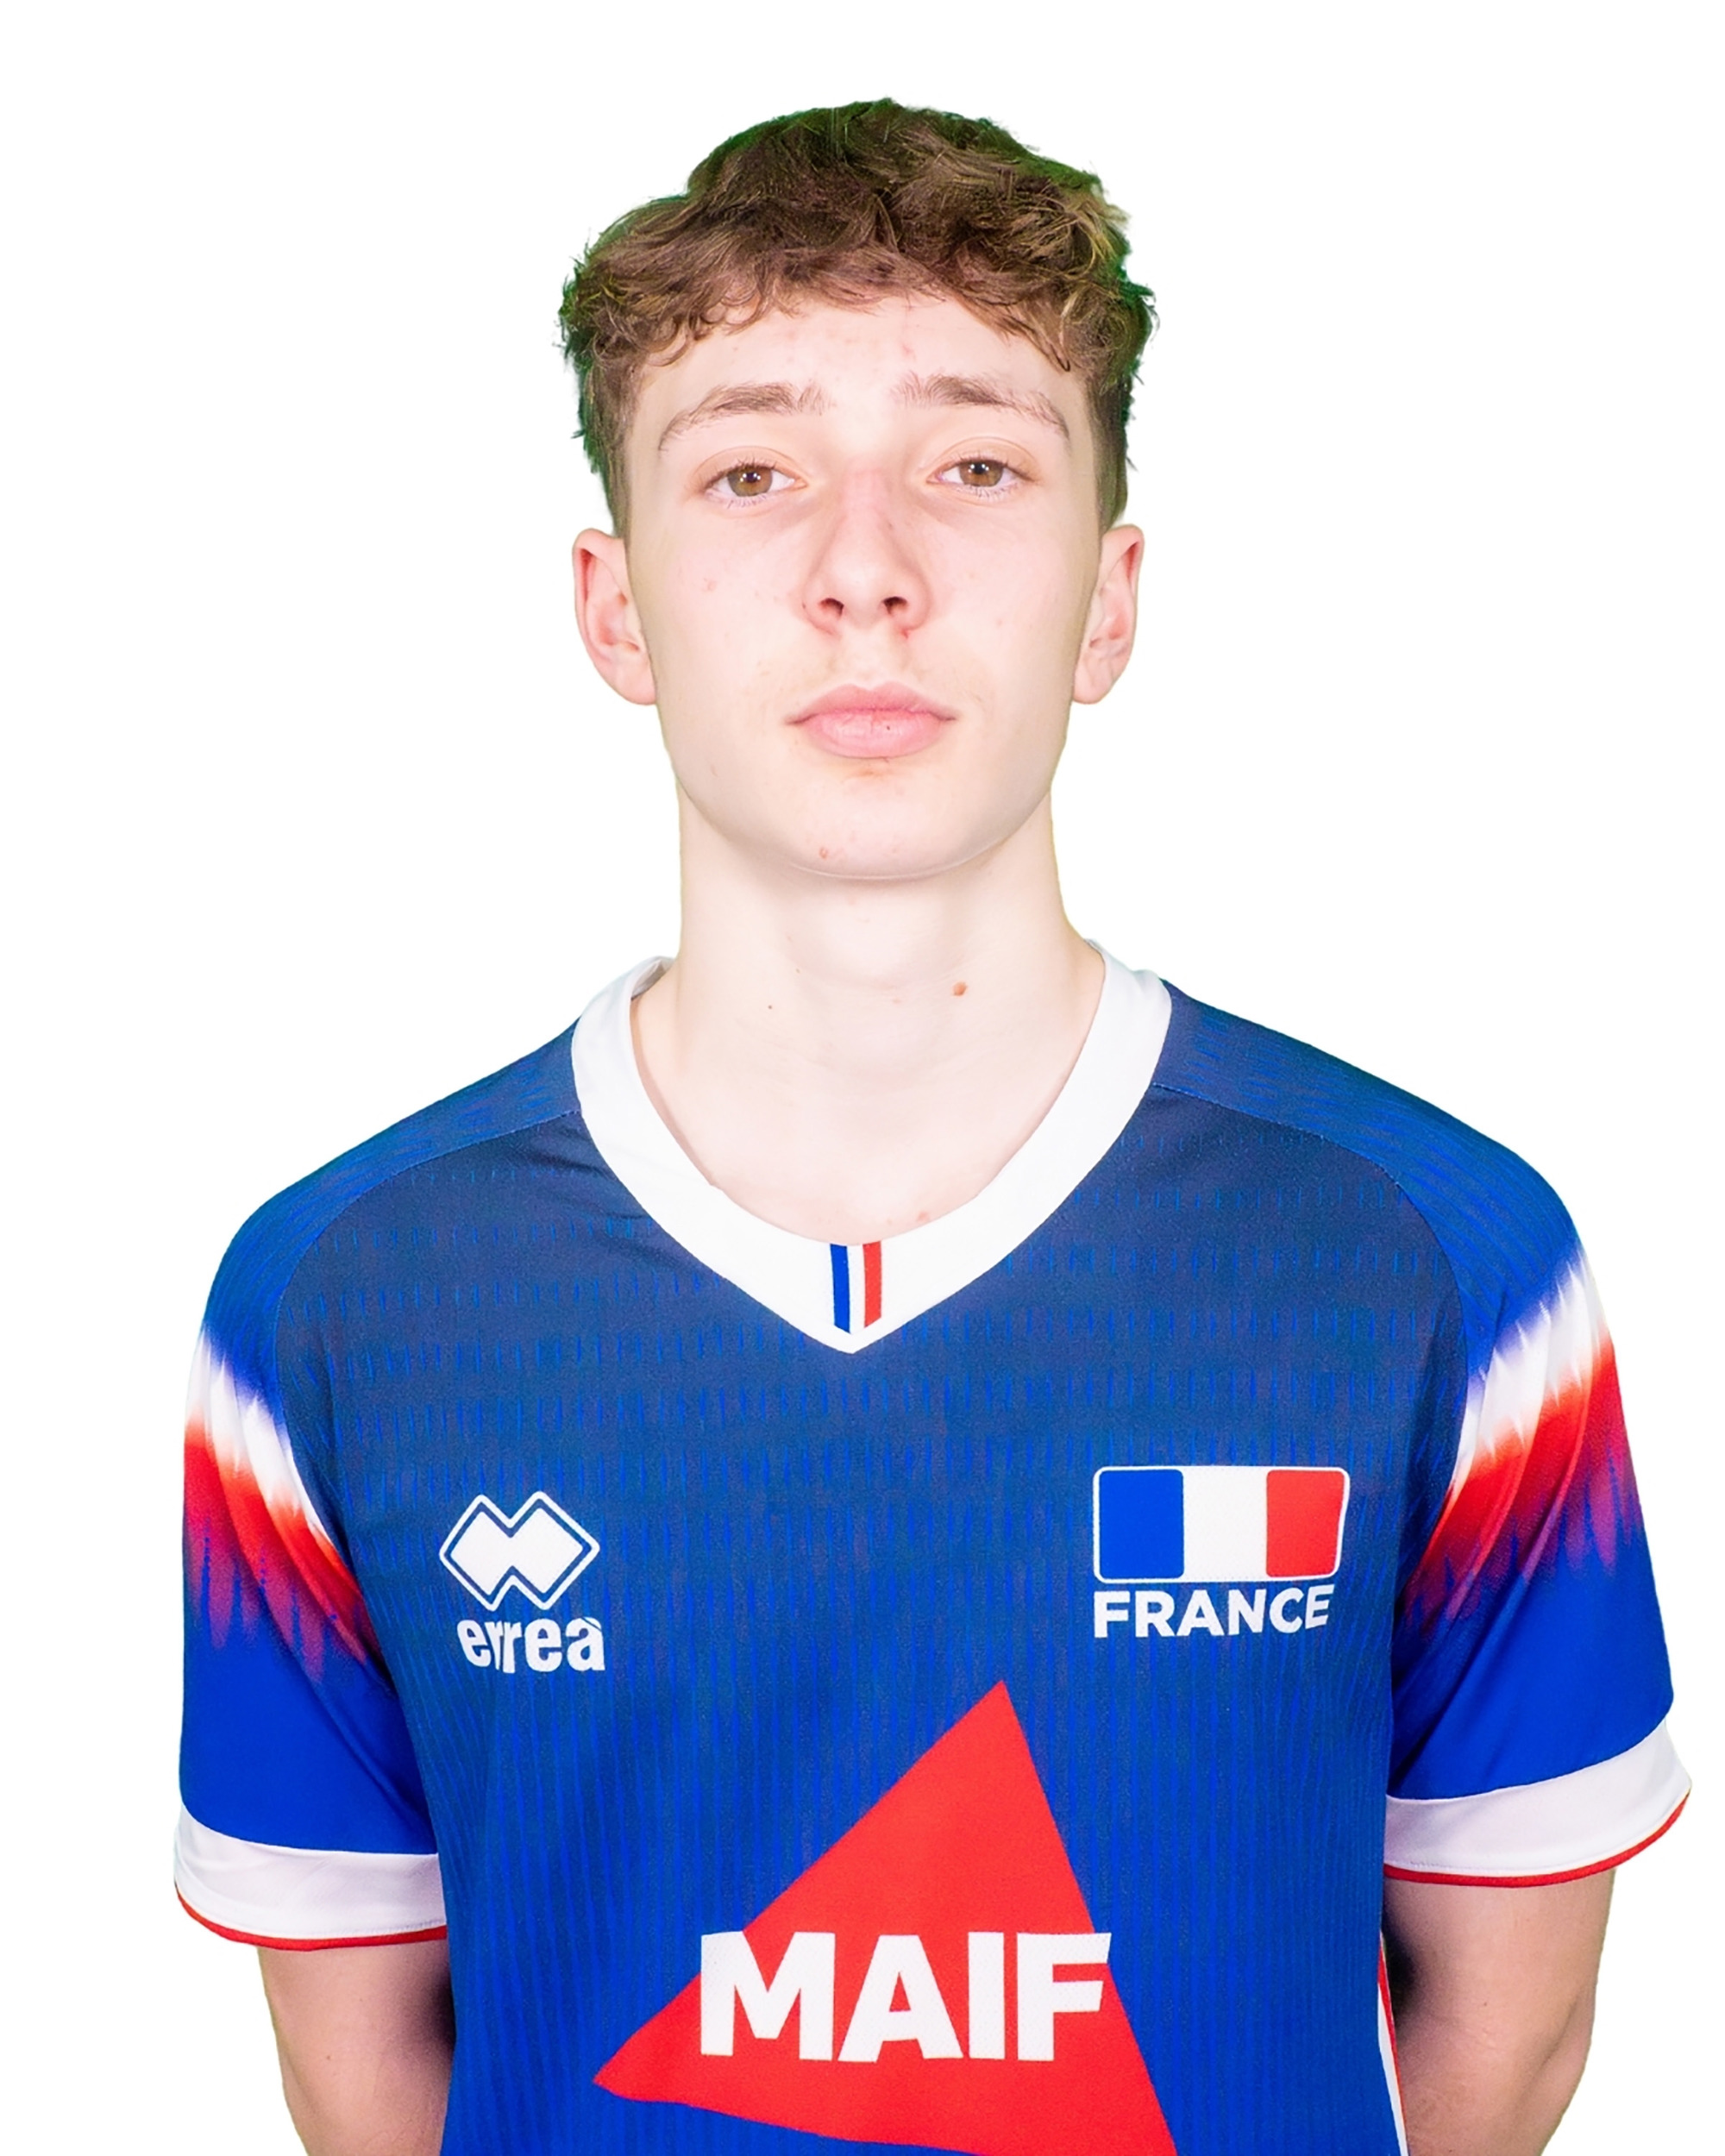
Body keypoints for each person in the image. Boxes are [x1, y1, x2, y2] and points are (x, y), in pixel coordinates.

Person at [176, 101, 1686, 2156]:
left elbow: (1498, 2056)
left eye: (975, 465)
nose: (865, 572)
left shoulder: (1438, 1256)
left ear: (1110, 597)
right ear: (614, 607)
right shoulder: (349, 1296)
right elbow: (367, 2084)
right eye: (752, 470)